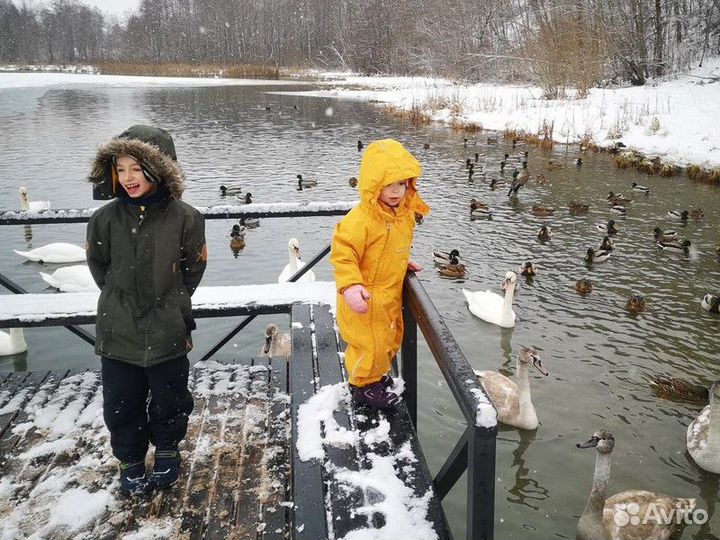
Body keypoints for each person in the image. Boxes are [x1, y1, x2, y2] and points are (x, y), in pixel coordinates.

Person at [86, 125, 207, 496]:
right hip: (118, 330)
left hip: (168, 327)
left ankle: (168, 450)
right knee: (121, 403)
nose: (127, 178)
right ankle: (130, 460)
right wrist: (123, 301)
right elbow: (99, 269)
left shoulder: (186, 218)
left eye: (137, 169)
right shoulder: (104, 220)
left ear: (160, 170)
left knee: (171, 396)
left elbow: (193, 268)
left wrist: (171, 301)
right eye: (120, 169)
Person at [330, 139, 430, 408]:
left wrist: (401, 261)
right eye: (388, 185)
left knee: (388, 337)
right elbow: (343, 254)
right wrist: (350, 286)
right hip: (364, 294)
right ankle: (362, 386)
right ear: (374, 185)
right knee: (368, 343)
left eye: (401, 184)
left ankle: (375, 376)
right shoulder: (360, 219)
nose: (396, 191)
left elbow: (392, 246)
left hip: (387, 291)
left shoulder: (402, 215)